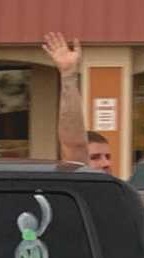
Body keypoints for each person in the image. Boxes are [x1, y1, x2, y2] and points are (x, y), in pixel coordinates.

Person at [41, 32, 114, 173]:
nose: (106, 163)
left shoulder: (117, 185)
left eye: (108, 157)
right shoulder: (79, 177)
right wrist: (68, 75)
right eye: (95, 157)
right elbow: (75, 145)